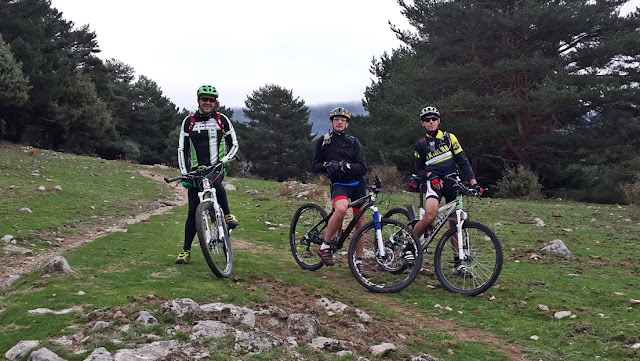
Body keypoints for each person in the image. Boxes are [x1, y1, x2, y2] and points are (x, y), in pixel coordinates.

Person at [411, 105, 481, 276]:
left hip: (452, 183)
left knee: (456, 222)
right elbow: (417, 170)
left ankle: (458, 264)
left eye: (434, 119)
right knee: (430, 215)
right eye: (427, 120)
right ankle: (409, 246)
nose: (431, 122)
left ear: (439, 121)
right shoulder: (421, 144)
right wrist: (430, 174)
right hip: (434, 184)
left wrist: (474, 182)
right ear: (423, 123)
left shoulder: (450, 138)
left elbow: (463, 161)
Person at [175, 85, 239, 264]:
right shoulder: (189, 121)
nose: (208, 103)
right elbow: (182, 149)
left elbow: (234, 144)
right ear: (199, 101)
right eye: (205, 99)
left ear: (215, 102)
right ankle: (186, 251)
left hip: (216, 167)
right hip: (195, 170)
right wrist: (184, 173)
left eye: (211, 100)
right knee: (192, 212)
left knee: (216, 183)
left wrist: (224, 160)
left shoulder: (222, 120)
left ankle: (226, 214)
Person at [311, 107, 367, 271]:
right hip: (340, 185)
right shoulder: (324, 141)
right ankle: (325, 246)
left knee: (360, 222)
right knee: (341, 210)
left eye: (343, 120)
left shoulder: (354, 142)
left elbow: (362, 167)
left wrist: (343, 166)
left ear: (347, 124)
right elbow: (315, 166)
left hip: (358, 185)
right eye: (336, 119)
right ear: (331, 122)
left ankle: (358, 261)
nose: (340, 122)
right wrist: (328, 166)